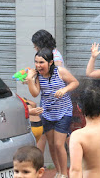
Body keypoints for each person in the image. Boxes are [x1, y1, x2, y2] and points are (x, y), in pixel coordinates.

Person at [26, 48, 79, 178]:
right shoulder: (37, 75)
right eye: (36, 62)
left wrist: (65, 89)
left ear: (50, 63)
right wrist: (29, 80)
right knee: (51, 144)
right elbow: (35, 93)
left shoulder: (60, 71)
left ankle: (64, 174)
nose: (38, 65)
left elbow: (75, 82)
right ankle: (58, 171)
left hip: (63, 112)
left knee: (58, 144)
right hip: (47, 113)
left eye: (41, 62)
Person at [31, 29, 65, 157]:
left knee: (57, 138)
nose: (35, 48)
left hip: (56, 102)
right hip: (47, 100)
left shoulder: (55, 56)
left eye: (36, 45)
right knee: (43, 133)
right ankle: (39, 164)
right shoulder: (47, 55)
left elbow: (56, 75)